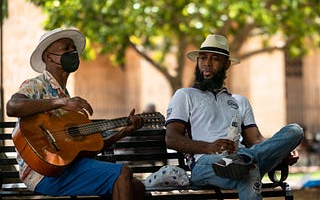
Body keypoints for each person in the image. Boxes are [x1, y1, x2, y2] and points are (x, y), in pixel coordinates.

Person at [6, 28, 146, 200]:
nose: (72, 53)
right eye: (66, 49)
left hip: (68, 167)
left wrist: (123, 132)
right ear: (49, 57)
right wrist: (62, 103)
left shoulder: (65, 95)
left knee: (136, 187)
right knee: (123, 172)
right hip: (43, 173)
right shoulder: (36, 85)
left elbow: (88, 149)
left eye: (73, 49)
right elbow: (12, 106)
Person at [165, 34, 304, 200]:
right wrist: (209, 147)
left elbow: (256, 140)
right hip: (205, 164)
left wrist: (280, 150)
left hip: (240, 160)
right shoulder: (185, 95)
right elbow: (171, 138)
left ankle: (243, 160)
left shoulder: (240, 101)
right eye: (203, 58)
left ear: (226, 64)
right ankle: (243, 160)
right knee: (248, 167)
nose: (207, 64)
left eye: (215, 59)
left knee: (295, 131)